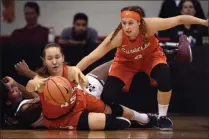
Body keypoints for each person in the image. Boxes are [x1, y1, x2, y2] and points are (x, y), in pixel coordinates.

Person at [75, 5, 208, 130]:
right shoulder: (117, 36)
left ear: (140, 22)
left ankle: (162, 117)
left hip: (150, 57)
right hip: (126, 62)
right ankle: (126, 117)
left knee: (164, 75)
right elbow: (92, 57)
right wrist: (73, 71)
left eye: (131, 23)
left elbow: (179, 19)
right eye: (124, 22)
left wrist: (204, 22)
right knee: (107, 96)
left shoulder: (150, 25)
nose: (127, 27)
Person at [25, 43, 158, 130]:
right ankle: (134, 120)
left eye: (57, 57)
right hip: (68, 117)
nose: (54, 62)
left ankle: (145, 118)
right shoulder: (41, 79)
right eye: (49, 58)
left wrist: (82, 83)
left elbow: (83, 82)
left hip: (82, 98)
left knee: (113, 109)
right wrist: (34, 83)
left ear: (62, 57)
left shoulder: (71, 71)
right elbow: (30, 87)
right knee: (118, 123)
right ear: (44, 61)